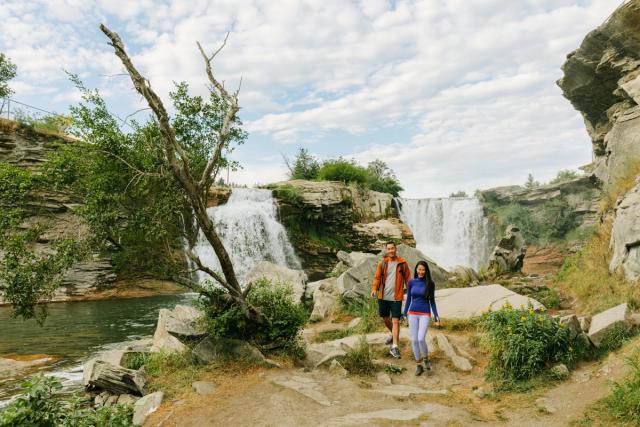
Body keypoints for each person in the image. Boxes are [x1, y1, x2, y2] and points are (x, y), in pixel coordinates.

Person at [371, 241, 411, 359]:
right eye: (388, 249)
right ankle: (394, 335)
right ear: (386, 250)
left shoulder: (402, 263)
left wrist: (411, 291)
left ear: (396, 249)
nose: (391, 251)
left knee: (395, 321)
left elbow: (408, 279)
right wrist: (374, 289)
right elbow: (377, 278)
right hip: (383, 296)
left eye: (392, 248)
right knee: (385, 318)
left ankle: (395, 346)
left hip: (396, 297)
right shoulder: (382, 263)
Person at [403, 260, 440, 376]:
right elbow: (409, 299)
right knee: (414, 340)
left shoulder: (430, 283)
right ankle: (419, 365)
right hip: (412, 313)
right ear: (416, 270)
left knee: (420, 339)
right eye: (419, 269)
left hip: (425, 314)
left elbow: (432, 301)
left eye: (423, 269)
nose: (421, 271)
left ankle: (425, 359)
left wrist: (436, 317)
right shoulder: (411, 282)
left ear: (426, 271)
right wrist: (404, 314)